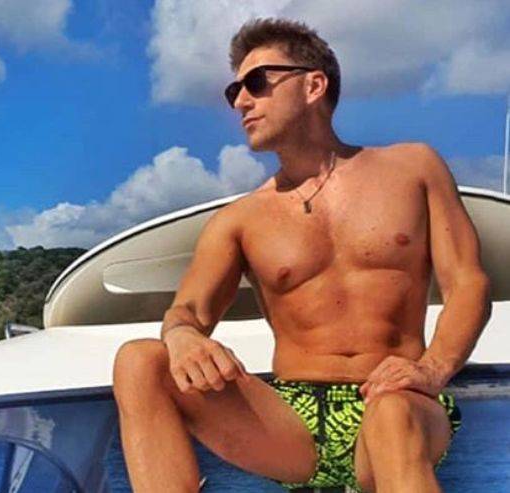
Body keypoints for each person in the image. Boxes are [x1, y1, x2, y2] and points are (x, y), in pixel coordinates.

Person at [111, 17, 493, 493]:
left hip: (396, 398)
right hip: (291, 423)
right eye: (234, 92)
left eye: (256, 83)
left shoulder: (414, 168)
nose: (241, 101)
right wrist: (182, 335)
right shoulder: (239, 220)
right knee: (140, 360)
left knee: (394, 414)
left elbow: (468, 283)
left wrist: (432, 370)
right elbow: (187, 311)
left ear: (314, 85)